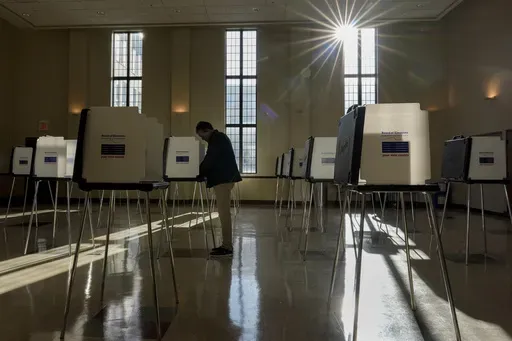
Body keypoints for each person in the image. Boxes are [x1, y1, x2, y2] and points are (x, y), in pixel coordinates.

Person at [196, 121, 242, 257]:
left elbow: (210, 159)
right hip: (225, 179)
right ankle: (226, 245)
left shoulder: (217, 139)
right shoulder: (219, 138)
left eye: (202, 136)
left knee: (224, 213)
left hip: (223, 180)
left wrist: (197, 171)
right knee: (223, 213)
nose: (202, 139)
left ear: (206, 130)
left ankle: (227, 247)